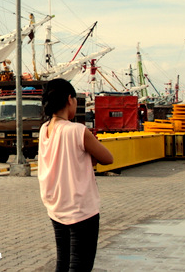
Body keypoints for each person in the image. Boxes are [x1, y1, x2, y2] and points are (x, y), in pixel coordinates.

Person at [37, 78, 113, 272]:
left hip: (56, 206)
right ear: (70, 99)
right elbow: (107, 158)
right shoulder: (77, 130)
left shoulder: (44, 129)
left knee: (63, 263)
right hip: (81, 209)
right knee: (80, 265)